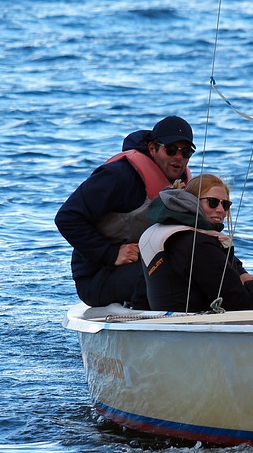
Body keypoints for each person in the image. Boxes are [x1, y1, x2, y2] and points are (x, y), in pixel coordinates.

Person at [55, 115, 197, 308]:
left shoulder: (182, 185)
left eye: (186, 152)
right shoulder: (118, 176)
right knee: (170, 277)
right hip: (99, 276)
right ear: (153, 148)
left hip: (146, 264)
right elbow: (67, 217)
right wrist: (110, 253)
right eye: (171, 149)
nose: (178, 157)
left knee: (202, 265)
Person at [140, 174, 253, 312]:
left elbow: (237, 277)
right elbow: (237, 301)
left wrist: (246, 279)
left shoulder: (169, 230)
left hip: (172, 315)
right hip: (195, 322)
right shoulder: (198, 243)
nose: (221, 210)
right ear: (191, 201)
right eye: (213, 202)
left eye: (226, 205)